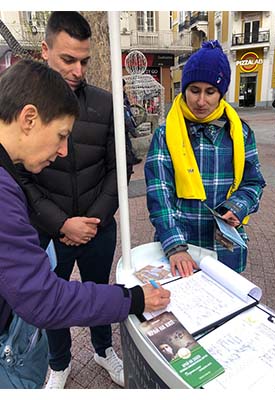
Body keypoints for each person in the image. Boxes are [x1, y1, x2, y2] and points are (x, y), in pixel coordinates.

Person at [0, 60, 170, 389]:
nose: (63, 151)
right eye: (61, 135)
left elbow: (117, 168)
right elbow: (44, 299)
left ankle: (102, 350)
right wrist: (133, 300)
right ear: (29, 119)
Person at [16, 12, 124, 388]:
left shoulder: (105, 104)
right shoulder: (22, 112)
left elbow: (119, 169)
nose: (78, 70)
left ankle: (103, 349)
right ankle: (59, 364)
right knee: (53, 301)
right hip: (48, 231)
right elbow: (19, 178)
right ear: (45, 50)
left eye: (84, 61)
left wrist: (92, 221)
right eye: (68, 59)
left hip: (98, 226)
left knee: (98, 292)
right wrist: (60, 223)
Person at [145, 40, 265, 276]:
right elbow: (159, 193)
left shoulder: (239, 133)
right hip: (180, 247)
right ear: (184, 90)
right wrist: (175, 245)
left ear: (221, 92)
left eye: (210, 92)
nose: (201, 101)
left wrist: (237, 208)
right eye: (194, 90)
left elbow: (253, 183)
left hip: (224, 247)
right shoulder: (165, 134)